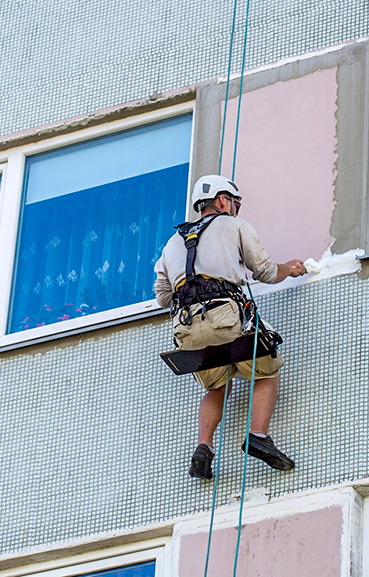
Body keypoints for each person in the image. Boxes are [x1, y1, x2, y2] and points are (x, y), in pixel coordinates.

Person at [154, 174, 306, 480]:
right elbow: (263, 270)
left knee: (216, 384)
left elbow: (162, 297)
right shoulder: (234, 225)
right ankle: (258, 435)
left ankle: (204, 447)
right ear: (223, 200)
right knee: (267, 370)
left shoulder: (172, 243)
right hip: (225, 316)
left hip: (187, 330)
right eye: (234, 202)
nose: (235, 208)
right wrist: (289, 269)